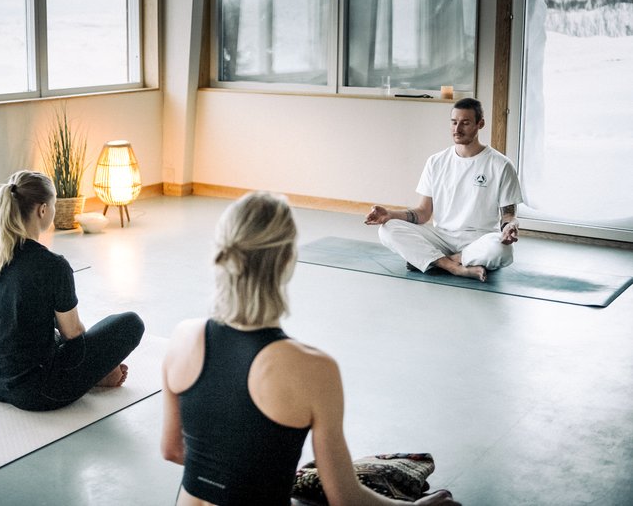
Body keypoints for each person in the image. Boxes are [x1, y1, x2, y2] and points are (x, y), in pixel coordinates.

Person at [161, 191, 460, 506]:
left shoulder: (182, 337)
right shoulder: (313, 368)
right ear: (287, 261)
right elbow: (345, 497)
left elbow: (172, 450)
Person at [0, 170, 145, 411]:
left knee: (40, 323)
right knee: (130, 323)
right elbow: (73, 334)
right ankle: (97, 378)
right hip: (36, 392)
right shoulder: (52, 265)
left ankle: (92, 375)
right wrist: (103, 364)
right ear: (43, 210)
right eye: (53, 205)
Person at [365, 97, 523, 282]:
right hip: (441, 237)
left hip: (479, 240)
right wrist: (390, 214)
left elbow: (508, 215)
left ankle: (435, 260)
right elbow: (423, 213)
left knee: (503, 251)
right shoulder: (436, 161)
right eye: (454, 122)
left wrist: (510, 226)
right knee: (387, 229)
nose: (457, 129)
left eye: (465, 123)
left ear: (480, 124)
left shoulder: (501, 165)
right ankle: (453, 266)